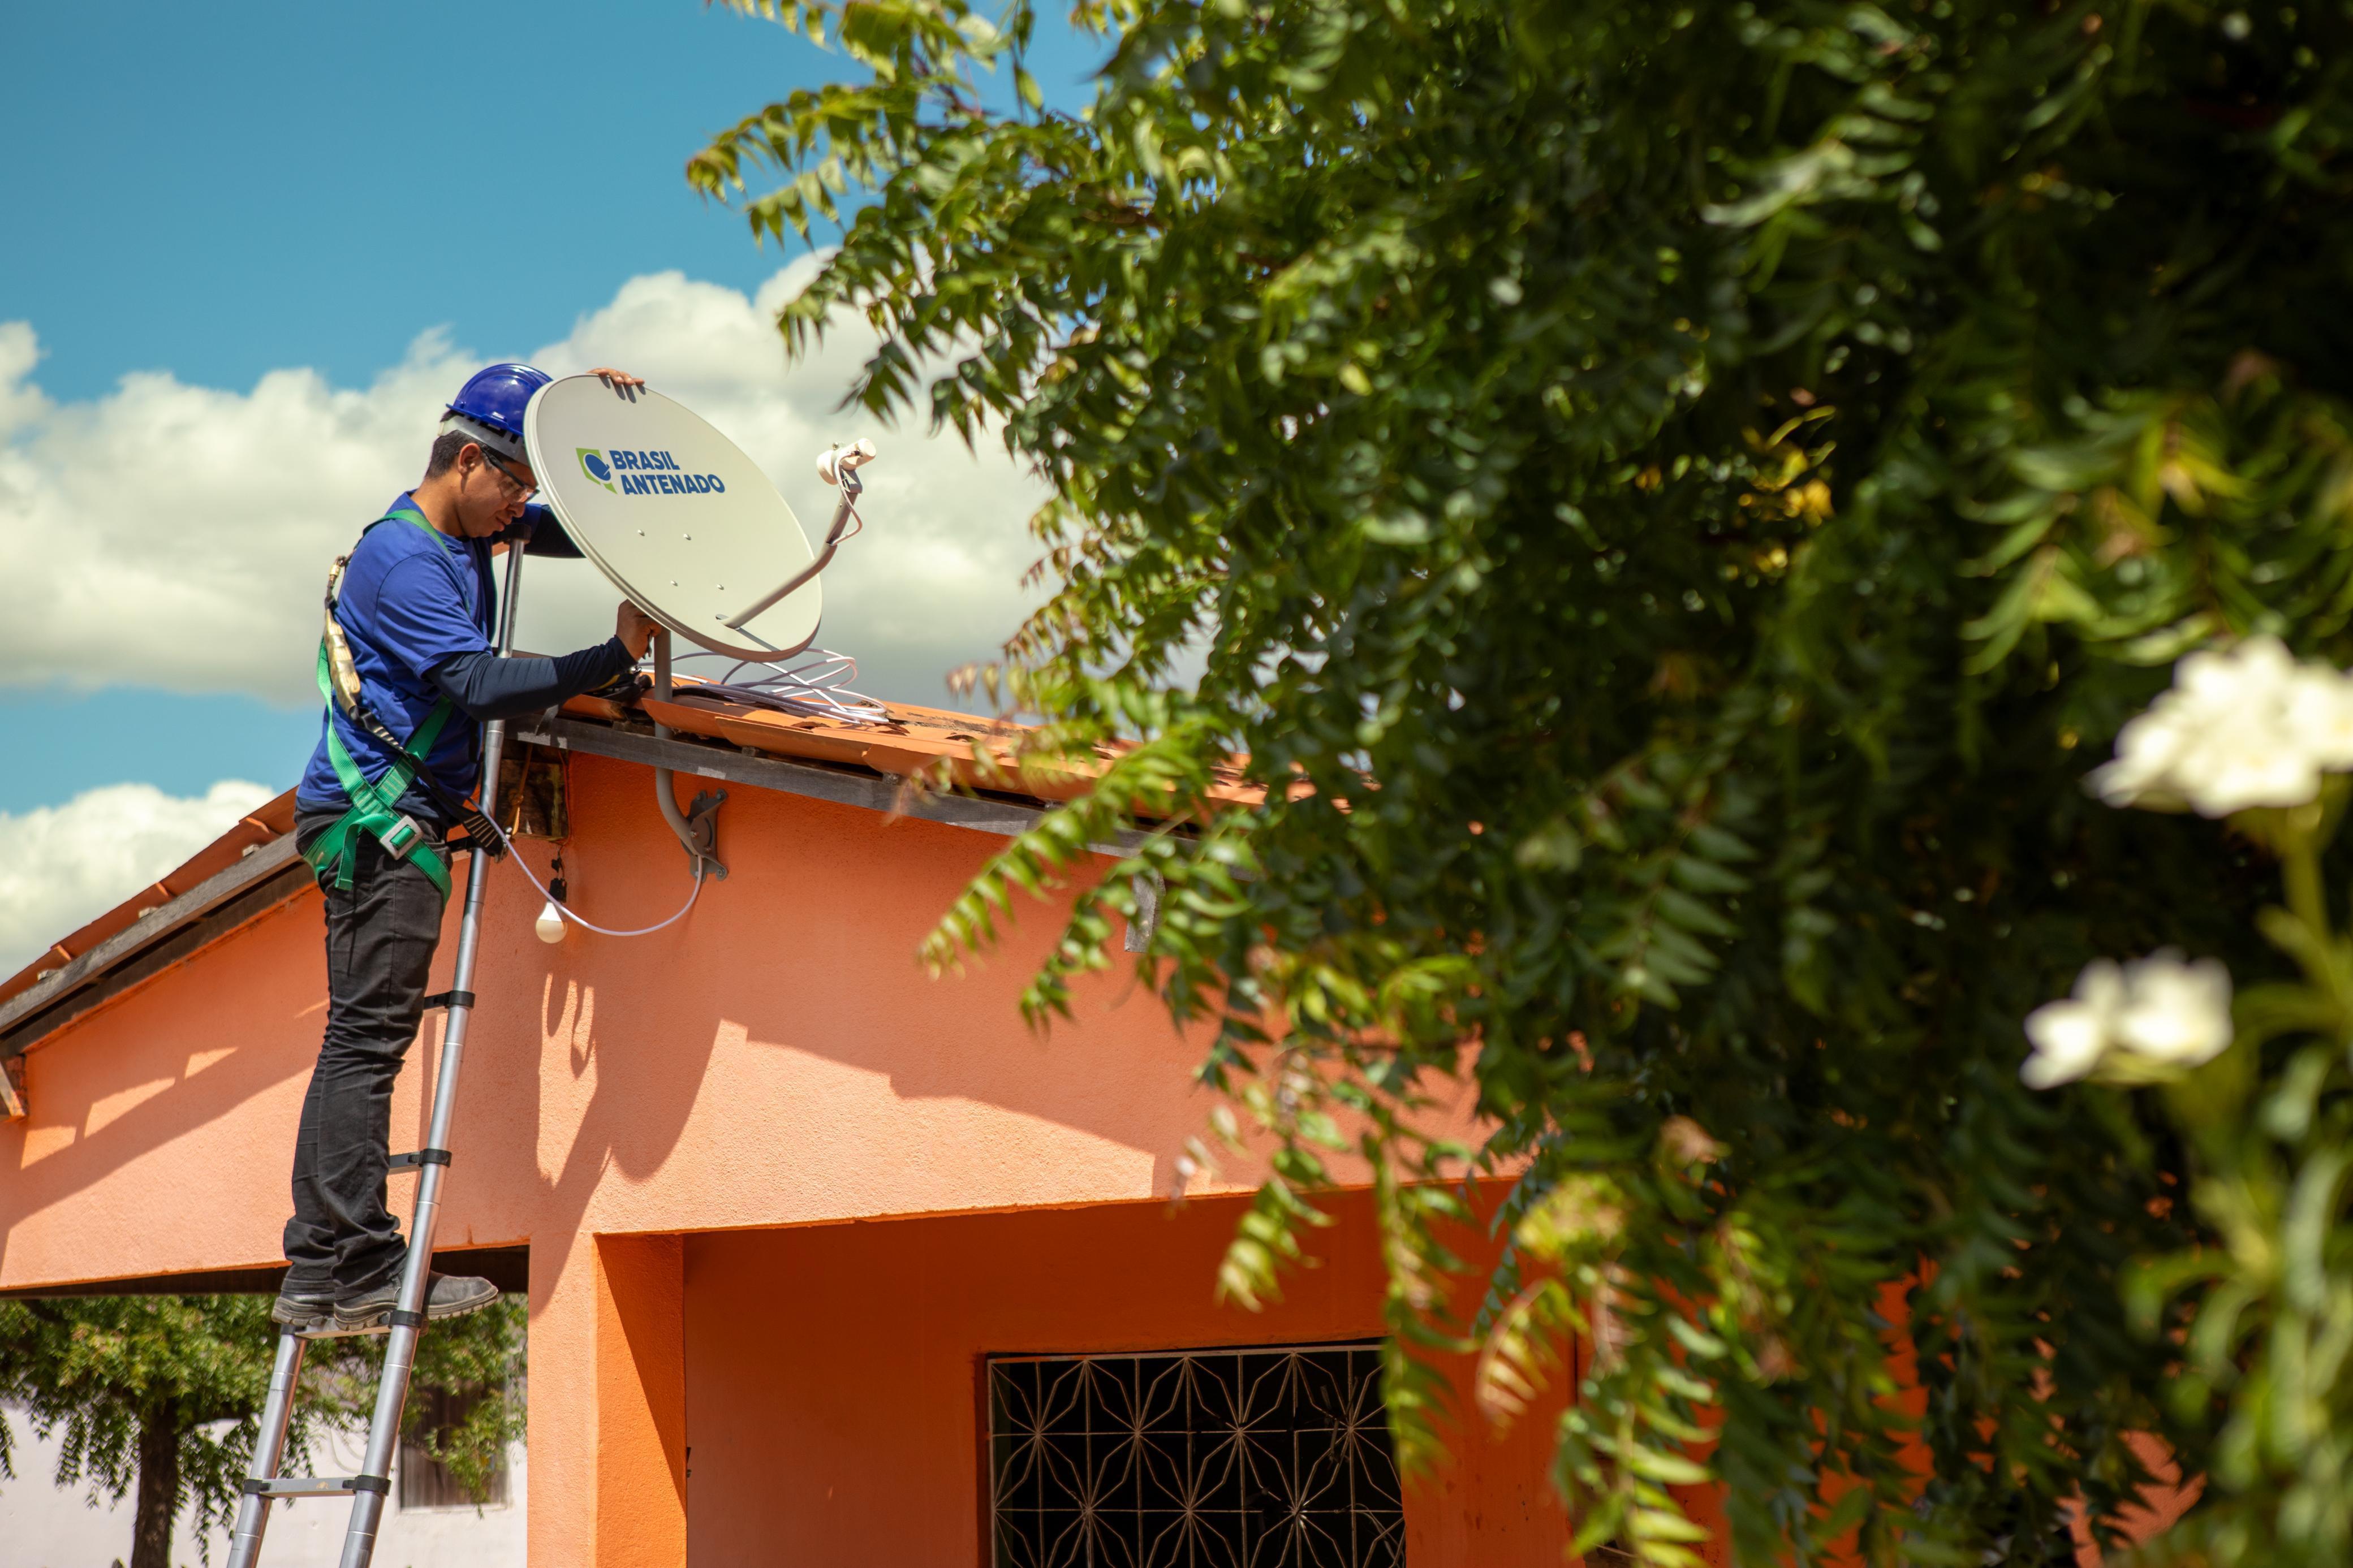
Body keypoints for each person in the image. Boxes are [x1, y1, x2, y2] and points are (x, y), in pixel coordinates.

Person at [273, 362, 658, 1332]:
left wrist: (606, 424)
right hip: (377, 824)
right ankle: (355, 1264)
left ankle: (322, 1274)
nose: (520, 510)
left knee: (360, 1040)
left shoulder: (469, 528)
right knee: (365, 1042)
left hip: (394, 817)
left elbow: (579, 531)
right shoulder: (405, 563)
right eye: (515, 486)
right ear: (467, 460)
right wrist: (609, 656)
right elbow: (481, 684)